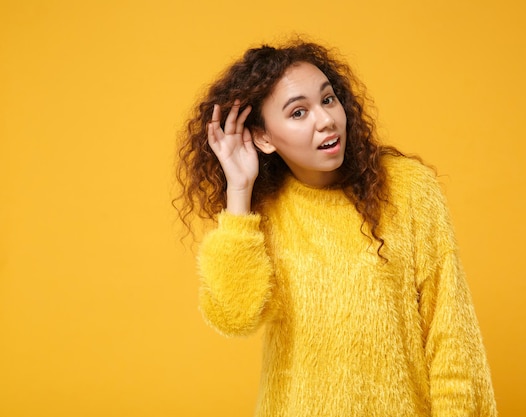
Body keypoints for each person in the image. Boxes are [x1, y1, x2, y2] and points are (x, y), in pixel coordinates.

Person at [175, 39, 497, 417]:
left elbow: (452, 335)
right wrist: (240, 192)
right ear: (263, 137)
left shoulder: (409, 189)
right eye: (298, 113)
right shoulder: (262, 214)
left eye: (328, 100)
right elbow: (235, 315)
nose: (325, 119)